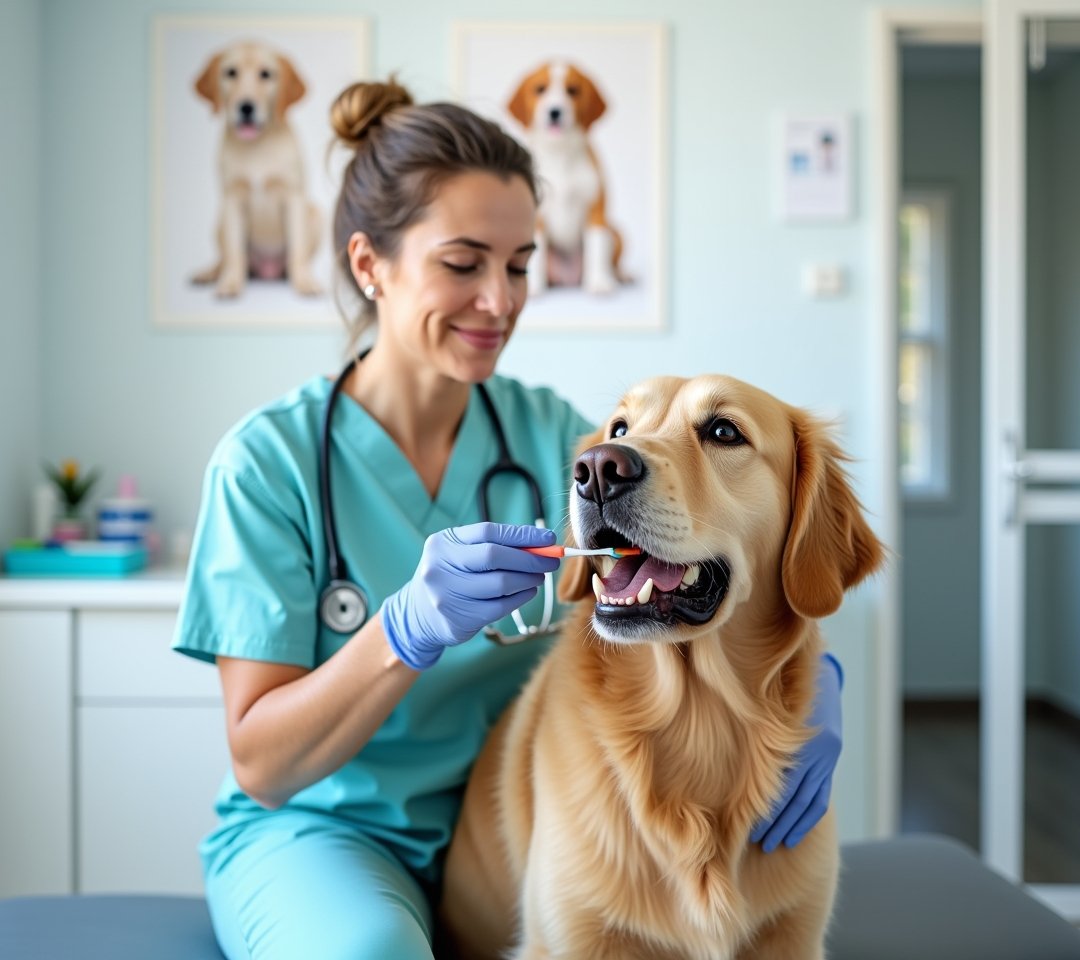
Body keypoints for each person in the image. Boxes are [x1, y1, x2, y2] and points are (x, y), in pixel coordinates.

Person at [172, 78, 845, 960]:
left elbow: (712, 560)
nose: (501, 300)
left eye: (521, 263)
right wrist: (403, 630)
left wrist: (815, 676)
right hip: (328, 831)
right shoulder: (267, 465)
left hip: (516, 816)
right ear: (369, 264)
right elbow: (262, 765)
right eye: (463, 263)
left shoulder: (556, 441)